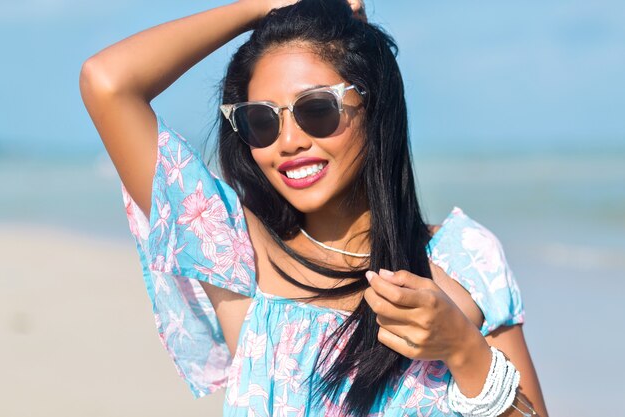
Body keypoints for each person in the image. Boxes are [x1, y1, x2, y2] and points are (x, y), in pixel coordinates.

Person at [80, 0, 548, 415]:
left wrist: (463, 349)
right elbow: (108, 83)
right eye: (261, 120)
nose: (287, 143)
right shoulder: (236, 251)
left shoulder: (464, 259)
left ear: (375, 103)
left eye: (317, 109)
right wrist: (262, 7)